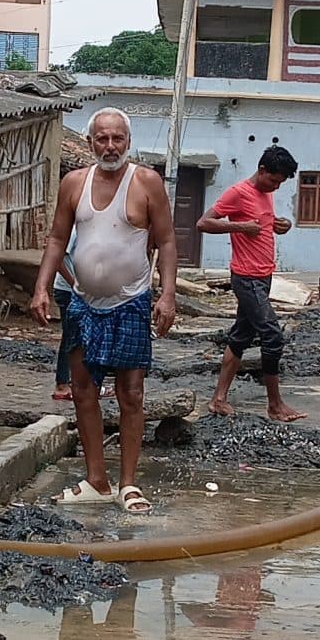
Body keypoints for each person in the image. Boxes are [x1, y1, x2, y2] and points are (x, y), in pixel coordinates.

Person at [30, 108, 177, 514]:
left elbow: (165, 241)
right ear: (91, 142)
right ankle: (96, 478)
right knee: (82, 391)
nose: (109, 146)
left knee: (131, 394)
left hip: (131, 303)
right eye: (101, 139)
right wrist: (42, 287)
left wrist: (167, 294)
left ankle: (128, 484)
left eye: (116, 139)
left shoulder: (146, 182)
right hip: (83, 305)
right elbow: (58, 239)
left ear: (128, 141)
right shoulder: (74, 183)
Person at [201, 145, 305, 423]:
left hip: (263, 276)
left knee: (241, 337)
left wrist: (279, 225)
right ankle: (274, 405)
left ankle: (218, 399)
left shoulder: (265, 194)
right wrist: (239, 227)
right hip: (246, 278)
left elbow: (261, 226)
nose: (276, 187)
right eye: (273, 180)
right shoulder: (238, 192)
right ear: (261, 170)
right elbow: (204, 222)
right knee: (272, 337)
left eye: (280, 183)